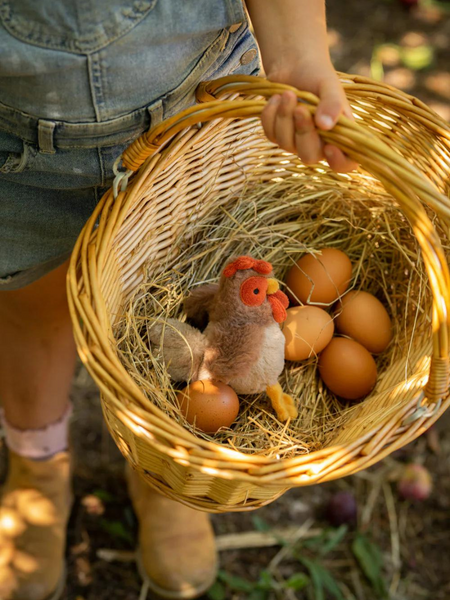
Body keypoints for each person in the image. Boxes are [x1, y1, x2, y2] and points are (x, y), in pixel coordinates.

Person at [0, 1, 356, 599]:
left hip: (199, 101)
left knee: (175, 284)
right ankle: (38, 465)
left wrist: (295, 53)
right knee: (30, 309)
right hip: (13, 141)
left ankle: (163, 467)